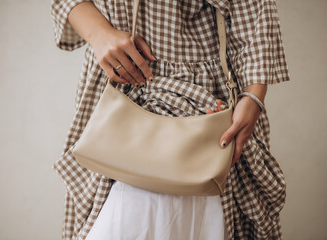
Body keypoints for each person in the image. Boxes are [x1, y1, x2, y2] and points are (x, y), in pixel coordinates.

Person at [50, 0, 290, 239]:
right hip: (120, 75)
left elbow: (254, 8)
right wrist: (99, 34)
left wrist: (253, 96)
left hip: (206, 93)